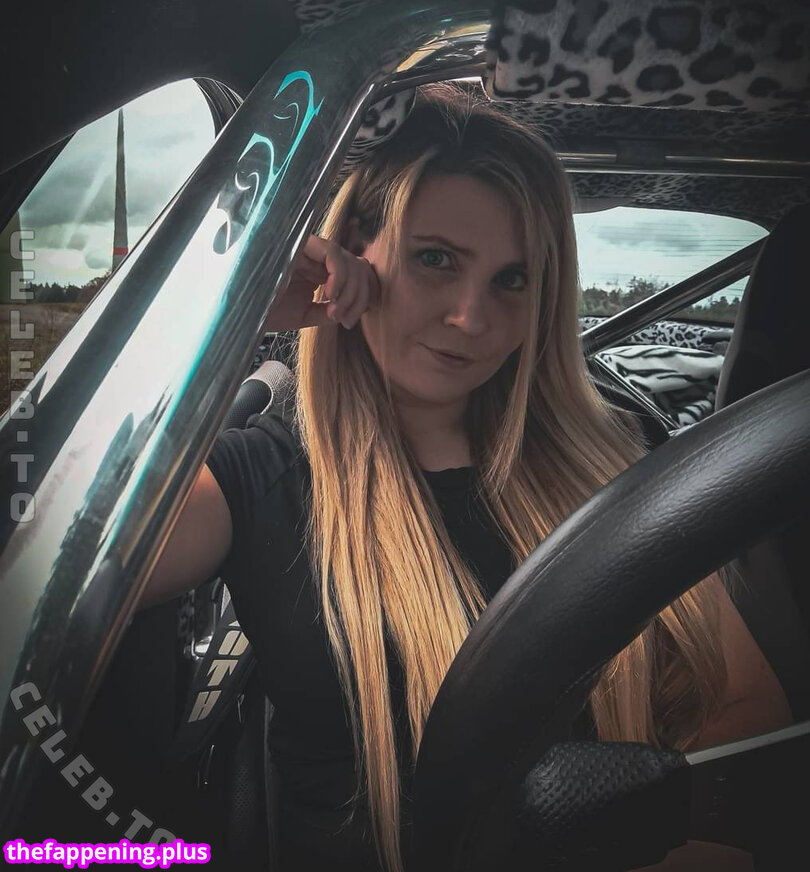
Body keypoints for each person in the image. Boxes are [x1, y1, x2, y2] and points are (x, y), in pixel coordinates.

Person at [142, 82, 791, 872]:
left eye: (511, 280)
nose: (472, 319)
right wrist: (222, 316)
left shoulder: (621, 455)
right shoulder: (260, 477)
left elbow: (740, 707)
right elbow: (41, 552)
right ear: (353, 254)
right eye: (436, 260)